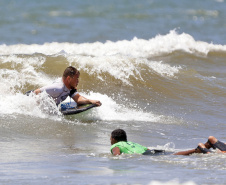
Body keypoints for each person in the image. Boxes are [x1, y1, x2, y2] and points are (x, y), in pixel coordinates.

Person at [110, 129, 226, 156]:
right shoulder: (132, 143)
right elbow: (146, 148)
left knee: (174, 155)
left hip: (146, 155)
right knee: (172, 154)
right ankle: (205, 146)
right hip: (151, 151)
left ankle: (198, 149)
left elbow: (117, 155)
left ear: (114, 139)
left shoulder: (116, 145)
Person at [34, 66, 102, 107]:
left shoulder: (70, 87)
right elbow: (37, 92)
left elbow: (78, 98)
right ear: (69, 79)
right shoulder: (57, 88)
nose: (78, 81)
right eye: (76, 79)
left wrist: (90, 101)